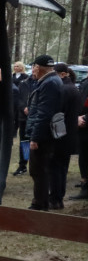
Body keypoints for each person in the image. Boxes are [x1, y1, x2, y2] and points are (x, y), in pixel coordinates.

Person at [26, 55, 62, 211]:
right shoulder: (50, 81)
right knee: (38, 169)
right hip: (44, 132)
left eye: (33, 67)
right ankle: (40, 201)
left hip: (44, 135)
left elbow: (44, 113)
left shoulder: (49, 83)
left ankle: (40, 203)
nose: (32, 70)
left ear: (38, 67)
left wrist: (35, 137)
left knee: (38, 169)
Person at [50, 63, 81, 209]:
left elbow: (57, 113)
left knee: (56, 168)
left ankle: (55, 198)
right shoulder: (72, 88)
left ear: (63, 74)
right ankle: (58, 197)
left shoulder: (64, 89)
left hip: (61, 135)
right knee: (61, 167)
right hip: (69, 135)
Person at [12, 62, 31, 175]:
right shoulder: (22, 82)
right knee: (23, 141)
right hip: (21, 116)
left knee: (30, 142)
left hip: (32, 118)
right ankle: (22, 165)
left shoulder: (28, 80)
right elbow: (19, 98)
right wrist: (23, 107)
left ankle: (30, 164)